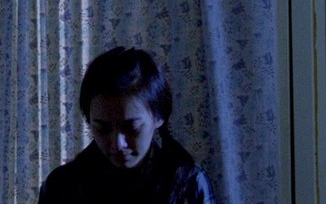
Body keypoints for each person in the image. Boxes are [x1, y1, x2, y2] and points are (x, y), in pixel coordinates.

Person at [38, 46, 216, 204]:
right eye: (102, 129)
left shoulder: (188, 184)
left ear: (159, 117)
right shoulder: (62, 187)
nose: (117, 144)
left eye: (131, 127)